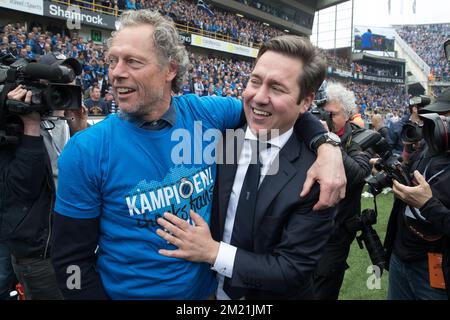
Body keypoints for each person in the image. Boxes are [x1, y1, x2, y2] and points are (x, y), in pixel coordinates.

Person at [52, 9, 346, 300]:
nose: (116, 72)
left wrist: (326, 143)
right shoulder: (85, 151)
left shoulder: (207, 115)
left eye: (133, 61)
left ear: (170, 69)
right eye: (112, 60)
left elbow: (274, 108)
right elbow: (70, 263)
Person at [155, 35, 336, 300]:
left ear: (306, 102)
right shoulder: (221, 137)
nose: (259, 97)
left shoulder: (319, 175)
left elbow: (291, 270)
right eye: (255, 81)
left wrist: (212, 252)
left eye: (277, 88)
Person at [0, 53, 85, 300]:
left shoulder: (66, 122)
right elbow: (21, 190)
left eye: (71, 83)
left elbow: (86, 176)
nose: (66, 89)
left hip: (70, 243)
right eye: (59, 82)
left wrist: (80, 131)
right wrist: (30, 126)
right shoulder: (14, 124)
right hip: (39, 251)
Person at [384, 88, 450, 300]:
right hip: (401, 256)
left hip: (436, 268)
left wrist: (428, 204)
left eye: (443, 116)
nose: (435, 123)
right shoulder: (428, 147)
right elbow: (405, 173)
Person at [311, 82, 372, 300]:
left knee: (323, 288)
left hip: (335, 233)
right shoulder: (310, 133)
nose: (326, 119)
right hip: (306, 226)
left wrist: (328, 140)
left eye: (333, 115)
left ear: (346, 115)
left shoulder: (358, 137)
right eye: (323, 113)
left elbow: (358, 175)